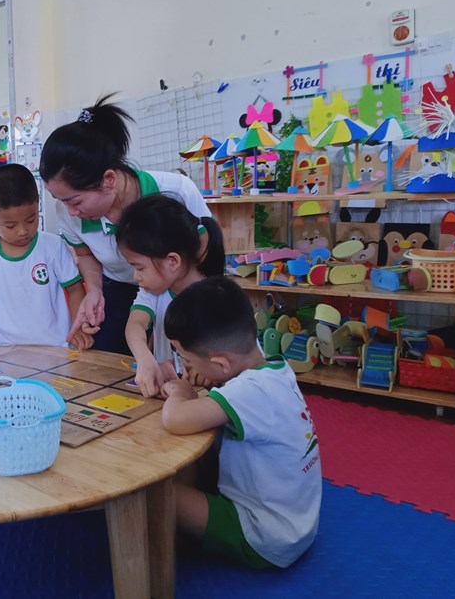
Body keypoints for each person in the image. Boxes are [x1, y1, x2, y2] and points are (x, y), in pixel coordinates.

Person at [160, 276, 322, 569]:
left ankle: (181, 541)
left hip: (266, 536)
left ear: (221, 364)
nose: (186, 367)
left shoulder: (248, 392)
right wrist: (212, 377)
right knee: (201, 446)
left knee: (157, 494)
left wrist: (180, 391)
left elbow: (174, 419)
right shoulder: (273, 368)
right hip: (298, 523)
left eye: (186, 359)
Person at [39, 93, 211, 355]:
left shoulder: (175, 192)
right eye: (60, 200)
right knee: (108, 359)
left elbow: (205, 250)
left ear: (108, 180)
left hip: (180, 289)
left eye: (75, 200)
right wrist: (94, 291)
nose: (70, 211)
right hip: (119, 290)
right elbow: (84, 254)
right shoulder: (68, 211)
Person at [0, 164, 91, 361]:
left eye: (31, 220)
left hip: (57, 346)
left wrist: (78, 326)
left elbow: (74, 289)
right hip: (6, 350)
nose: (22, 231)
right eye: (10, 225)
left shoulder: (53, 246)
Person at [115, 194, 225, 398]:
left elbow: (233, 361)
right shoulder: (154, 290)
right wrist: (145, 358)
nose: (135, 276)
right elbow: (135, 325)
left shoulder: (218, 299)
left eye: (140, 267)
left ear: (172, 261)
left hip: (210, 402)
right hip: (170, 396)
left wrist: (210, 371)